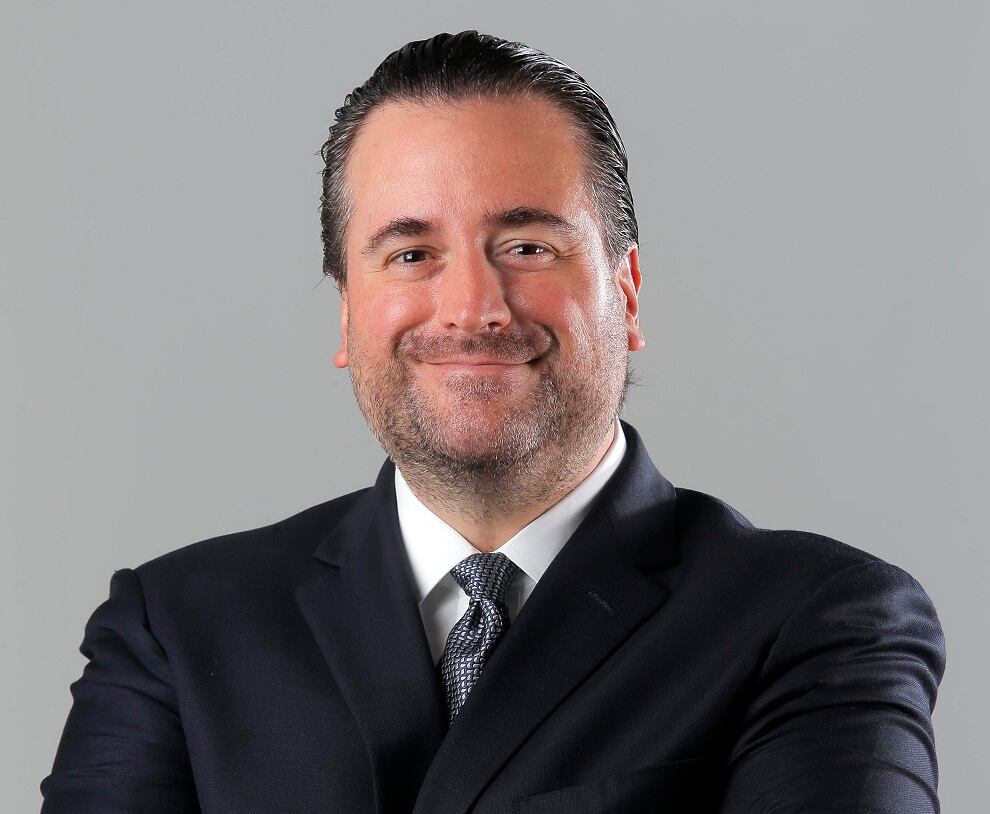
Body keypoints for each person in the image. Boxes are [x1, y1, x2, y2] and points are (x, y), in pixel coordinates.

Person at [41, 30, 945, 813]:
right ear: (347, 313)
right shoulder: (176, 630)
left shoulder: (820, 622)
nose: (472, 307)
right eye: (411, 253)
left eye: (527, 246)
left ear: (627, 292)